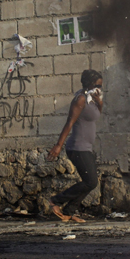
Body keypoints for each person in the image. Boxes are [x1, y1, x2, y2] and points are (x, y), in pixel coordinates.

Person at [47, 70, 104, 223]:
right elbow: (69, 123)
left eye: (101, 86)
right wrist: (58, 146)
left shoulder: (91, 99)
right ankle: (56, 201)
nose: (100, 88)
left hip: (86, 147)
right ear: (89, 84)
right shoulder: (80, 99)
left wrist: (100, 102)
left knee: (91, 182)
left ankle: (68, 212)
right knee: (90, 182)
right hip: (77, 147)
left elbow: (96, 115)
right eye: (97, 85)